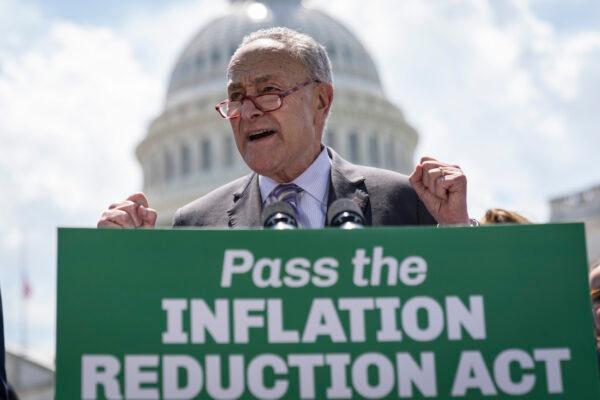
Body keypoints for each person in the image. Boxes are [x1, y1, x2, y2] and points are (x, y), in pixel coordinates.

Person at [98, 27, 475, 229]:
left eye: (268, 92)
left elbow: (462, 319)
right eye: (236, 97)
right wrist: (129, 266)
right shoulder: (197, 224)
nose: (248, 111)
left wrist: (457, 232)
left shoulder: (405, 203)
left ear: (321, 102)